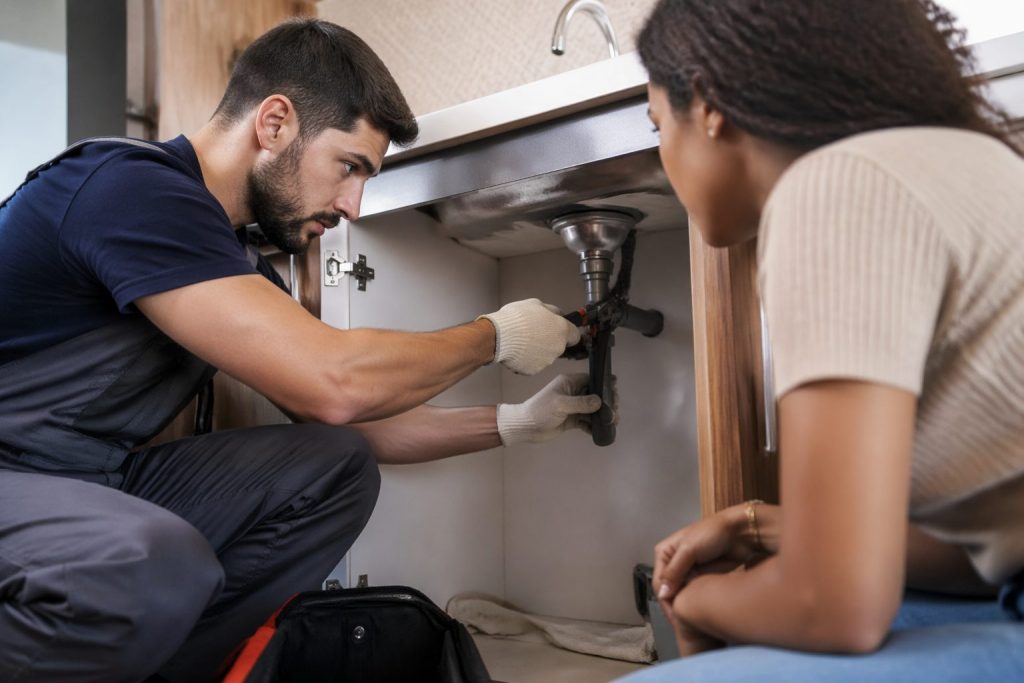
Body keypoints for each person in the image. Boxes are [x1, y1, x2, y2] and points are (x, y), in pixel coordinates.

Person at [0, 18, 599, 683]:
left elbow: (358, 422)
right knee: (153, 560)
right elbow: (335, 380)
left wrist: (511, 423)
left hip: (88, 481)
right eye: (350, 167)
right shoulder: (126, 187)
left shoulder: (234, 260)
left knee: (336, 464)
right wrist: (496, 334)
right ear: (275, 123)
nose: (354, 204)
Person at [617, 1, 1024, 681]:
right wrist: (763, 525)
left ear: (710, 102)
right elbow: (989, 554)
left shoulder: (833, 188)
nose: (662, 156)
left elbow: (832, 608)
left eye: (658, 124)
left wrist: (696, 603)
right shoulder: (972, 161)